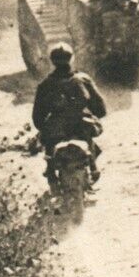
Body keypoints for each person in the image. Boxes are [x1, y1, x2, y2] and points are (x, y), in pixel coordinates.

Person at [32, 44, 107, 187]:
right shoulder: (83, 80)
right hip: (81, 126)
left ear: (52, 61)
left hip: (55, 130)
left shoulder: (45, 85)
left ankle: (51, 173)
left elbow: (38, 119)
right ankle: (93, 167)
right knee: (88, 132)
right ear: (71, 59)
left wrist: (46, 125)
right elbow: (101, 109)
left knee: (48, 137)